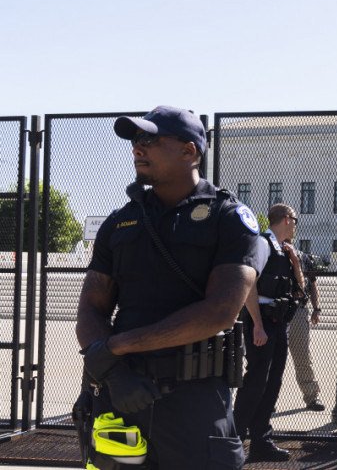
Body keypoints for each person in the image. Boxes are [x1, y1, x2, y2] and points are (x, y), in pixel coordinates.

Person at [76, 105, 267, 469]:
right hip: (123, 394)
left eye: (149, 138)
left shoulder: (228, 218)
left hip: (194, 401)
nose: (137, 147)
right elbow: (90, 308)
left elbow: (219, 312)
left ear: (189, 151)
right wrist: (116, 375)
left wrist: (117, 345)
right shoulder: (118, 222)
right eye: (135, 140)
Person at [234, 203, 306, 462]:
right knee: (256, 382)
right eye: (294, 220)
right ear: (287, 219)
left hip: (279, 323)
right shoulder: (262, 244)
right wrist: (257, 325)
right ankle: (235, 440)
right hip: (262, 321)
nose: (296, 224)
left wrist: (296, 262)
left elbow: (301, 288)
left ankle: (261, 440)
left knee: (272, 382)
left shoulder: (285, 250)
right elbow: (249, 286)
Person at [286, 240, 326, 412]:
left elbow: (312, 284)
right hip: (274, 310)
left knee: (303, 357)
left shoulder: (303, 257)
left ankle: (311, 397)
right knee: (271, 359)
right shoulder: (270, 252)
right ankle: (268, 399)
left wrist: (316, 308)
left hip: (298, 310)